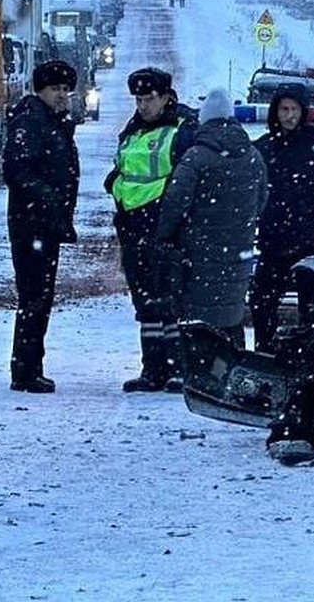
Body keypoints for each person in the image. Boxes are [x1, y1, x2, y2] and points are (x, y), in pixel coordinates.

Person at [104, 65, 197, 391]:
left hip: (164, 228)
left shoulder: (182, 130)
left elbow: (187, 180)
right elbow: (122, 169)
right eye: (139, 99)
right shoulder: (133, 130)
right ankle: (152, 369)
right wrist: (114, 187)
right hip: (132, 227)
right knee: (145, 304)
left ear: (166, 98)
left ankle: (176, 368)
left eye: (148, 99)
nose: (142, 105)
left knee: (169, 301)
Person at [157, 86, 266, 350]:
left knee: (200, 317)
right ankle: (233, 365)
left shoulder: (196, 157)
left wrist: (164, 235)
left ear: (204, 120)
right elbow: (261, 200)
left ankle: (202, 371)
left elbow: (175, 202)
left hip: (199, 253)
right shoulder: (253, 156)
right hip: (238, 251)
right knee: (231, 313)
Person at [249, 82, 314, 351]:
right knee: (262, 299)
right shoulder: (264, 147)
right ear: (275, 111)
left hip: (311, 242)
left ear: (303, 110)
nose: (289, 115)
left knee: (312, 304)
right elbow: (251, 190)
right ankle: (264, 350)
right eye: (284, 109)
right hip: (274, 240)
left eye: (294, 108)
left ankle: (312, 351)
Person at [4, 58, 81, 393]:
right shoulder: (31, 121)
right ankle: (25, 369)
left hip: (45, 224)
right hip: (31, 224)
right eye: (55, 89)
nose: (62, 95)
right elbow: (18, 171)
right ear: (41, 90)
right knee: (34, 297)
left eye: (65, 89)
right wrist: (49, 199)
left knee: (41, 297)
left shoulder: (53, 121)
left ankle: (31, 364)